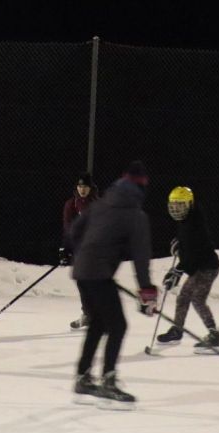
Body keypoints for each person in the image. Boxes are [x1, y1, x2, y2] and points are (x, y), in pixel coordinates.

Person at [67, 161, 157, 409]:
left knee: (98, 323)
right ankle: (108, 380)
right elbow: (141, 257)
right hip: (97, 273)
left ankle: (83, 377)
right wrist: (147, 292)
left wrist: (88, 253)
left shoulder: (100, 204)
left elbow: (75, 231)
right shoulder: (136, 215)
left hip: (83, 271)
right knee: (117, 325)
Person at [156, 186, 219, 353]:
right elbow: (187, 245)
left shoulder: (195, 224)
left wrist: (177, 271)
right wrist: (179, 244)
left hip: (207, 268)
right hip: (197, 266)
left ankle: (214, 335)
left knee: (197, 299)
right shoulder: (187, 220)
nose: (177, 209)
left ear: (190, 204)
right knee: (183, 297)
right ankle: (177, 330)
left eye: (181, 205)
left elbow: (194, 254)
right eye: (174, 205)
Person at [59, 172, 99, 330]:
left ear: (91, 188)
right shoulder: (71, 204)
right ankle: (88, 314)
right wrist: (64, 248)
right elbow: (68, 227)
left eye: (85, 187)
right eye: (80, 186)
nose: (82, 189)